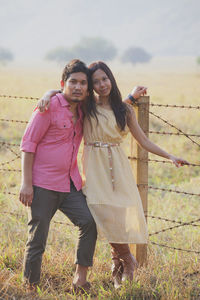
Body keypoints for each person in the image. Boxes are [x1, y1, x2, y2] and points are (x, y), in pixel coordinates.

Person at [38, 61, 188, 289]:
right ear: (91, 86)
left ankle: (116, 267)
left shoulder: (125, 109)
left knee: (116, 216)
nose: (101, 84)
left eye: (104, 79)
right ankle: (129, 260)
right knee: (102, 215)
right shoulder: (86, 105)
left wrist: (170, 156)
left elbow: (143, 140)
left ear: (111, 79)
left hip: (118, 169)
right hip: (94, 169)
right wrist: (48, 93)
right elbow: (64, 92)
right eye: (95, 81)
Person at [19, 59, 97, 293]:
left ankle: (80, 280)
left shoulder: (85, 108)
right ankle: (30, 288)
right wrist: (26, 184)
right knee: (38, 238)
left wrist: (132, 97)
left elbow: (111, 105)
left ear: (87, 88)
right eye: (73, 82)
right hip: (43, 184)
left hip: (71, 183)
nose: (78, 87)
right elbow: (28, 144)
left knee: (89, 223)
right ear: (63, 83)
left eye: (83, 83)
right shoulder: (48, 107)